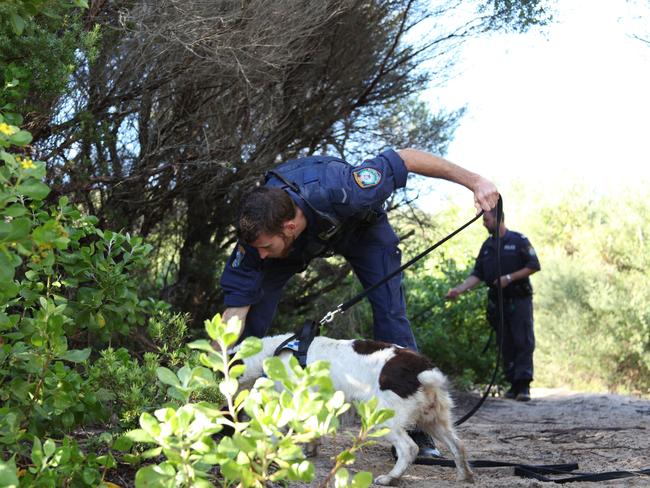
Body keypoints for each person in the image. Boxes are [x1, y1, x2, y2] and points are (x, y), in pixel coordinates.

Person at [220, 147, 499, 456]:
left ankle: (416, 429)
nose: (257, 255)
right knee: (252, 322)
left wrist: (475, 182)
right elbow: (234, 311)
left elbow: (405, 158)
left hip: (363, 232)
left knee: (390, 313)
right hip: (289, 249)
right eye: (254, 248)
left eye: (263, 247)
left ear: (289, 226)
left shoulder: (342, 188)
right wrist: (219, 361)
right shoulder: (256, 243)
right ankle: (226, 418)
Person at [446, 208, 540, 401]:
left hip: (519, 300)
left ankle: (523, 386)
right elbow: (477, 275)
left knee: (523, 340)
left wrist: (509, 278)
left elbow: (533, 265)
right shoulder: (487, 246)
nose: (484, 224)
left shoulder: (519, 240)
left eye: (486, 220)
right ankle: (513, 384)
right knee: (505, 342)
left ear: (498, 219)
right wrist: (459, 289)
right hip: (498, 303)